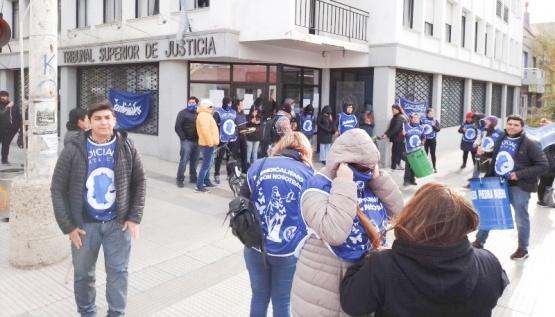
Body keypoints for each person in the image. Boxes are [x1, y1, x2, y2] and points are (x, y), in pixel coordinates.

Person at [340, 183, 509, 317]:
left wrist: (368, 257)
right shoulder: (489, 263)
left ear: (412, 217)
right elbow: (499, 287)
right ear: (464, 222)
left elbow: (352, 304)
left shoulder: (383, 265)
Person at [291, 128, 404, 317]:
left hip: (360, 285)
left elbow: (401, 214)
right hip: (323, 291)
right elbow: (334, 233)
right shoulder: (316, 187)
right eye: (362, 168)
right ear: (343, 163)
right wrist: (344, 183)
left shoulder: (369, 183)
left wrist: (380, 181)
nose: (367, 173)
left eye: (371, 167)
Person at [50, 101, 147, 317]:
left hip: (117, 224)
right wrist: (68, 226)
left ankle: (116, 313)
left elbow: (139, 181)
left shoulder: (127, 146)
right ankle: (87, 313)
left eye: (107, 117)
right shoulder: (73, 149)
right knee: (83, 275)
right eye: (97, 118)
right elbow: (57, 189)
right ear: (89, 123)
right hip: (84, 225)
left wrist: (134, 216)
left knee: (118, 273)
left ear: (114, 121)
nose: (103, 122)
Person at [238, 132, 314, 317]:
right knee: (282, 301)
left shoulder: (259, 165)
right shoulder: (308, 173)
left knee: (258, 297)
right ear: (304, 150)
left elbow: (242, 199)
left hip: (256, 245)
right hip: (288, 250)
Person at [472, 115, 548, 260]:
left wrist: (518, 174)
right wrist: (485, 153)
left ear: (522, 127)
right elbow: (496, 154)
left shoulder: (531, 143)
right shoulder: (502, 137)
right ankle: (479, 241)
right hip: (497, 182)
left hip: (518, 186)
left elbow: (543, 165)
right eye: (510, 124)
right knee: (489, 213)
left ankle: (523, 249)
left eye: (516, 125)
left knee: (521, 218)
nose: (512, 127)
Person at [462, 115, 503, 189]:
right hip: (481, 153)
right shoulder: (484, 129)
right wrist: (476, 143)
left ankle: (486, 186)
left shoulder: (500, 132)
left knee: (488, 171)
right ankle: (471, 184)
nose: (486, 122)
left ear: (493, 122)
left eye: (488, 120)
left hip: (491, 155)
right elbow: (479, 137)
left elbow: (501, 144)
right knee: (477, 169)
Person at [174, 96, 201, 188]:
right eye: (190, 102)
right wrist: (183, 138)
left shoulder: (199, 113)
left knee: (195, 160)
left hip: (197, 141)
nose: (191, 104)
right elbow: (177, 127)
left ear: (196, 103)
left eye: (193, 102)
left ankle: (193, 177)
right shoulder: (182, 113)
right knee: (184, 160)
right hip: (187, 141)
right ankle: (180, 179)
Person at [196, 99, 219, 193]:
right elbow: (206, 131)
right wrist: (210, 143)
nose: (212, 108)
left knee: (208, 164)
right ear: (207, 107)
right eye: (211, 107)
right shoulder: (203, 116)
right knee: (206, 165)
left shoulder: (205, 115)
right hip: (207, 144)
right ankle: (199, 185)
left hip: (208, 143)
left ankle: (206, 181)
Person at [213, 96, 238, 184]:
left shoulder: (234, 112)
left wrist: (236, 136)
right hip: (222, 138)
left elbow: (236, 124)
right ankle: (216, 174)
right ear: (224, 103)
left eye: (231, 103)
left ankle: (230, 174)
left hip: (232, 138)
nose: (230, 105)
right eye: (228, 103)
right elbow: (214, 126)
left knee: (230, 157)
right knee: (219, 157)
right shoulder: (218, 112)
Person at [381, 104, 408, 172]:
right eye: (392, 109)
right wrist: (386, 133)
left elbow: (396, 129)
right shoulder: (396, 117)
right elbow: (391, 128)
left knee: (400, 154)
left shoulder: (399, 117)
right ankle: (393, 168)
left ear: (397, 110)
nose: (392, 111)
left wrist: (387, 134)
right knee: (394, 153)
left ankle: (411, 163)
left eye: (393, 109)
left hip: (400, 139)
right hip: (396, 139)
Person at [403, 113, 426, 186]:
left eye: (417, 118)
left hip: (417, 149)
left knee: (415, 165)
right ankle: (406, 180)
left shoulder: (421, 127)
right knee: (408, 165)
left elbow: (424, 137)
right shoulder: (406, 126)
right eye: (414, 118)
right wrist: (403, 134)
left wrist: (422, 142)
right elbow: (402, 136)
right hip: (408, 149)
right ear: (412, 119)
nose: (416, 119)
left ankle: (412, 180)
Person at [0, 90, 22, 165]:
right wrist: (7, 107)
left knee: (5, 145)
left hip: (9, 131)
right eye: (1, 96)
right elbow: (1, 114)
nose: (2, 97)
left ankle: (4, 160)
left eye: (4, 96)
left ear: (7, 97)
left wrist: (17, 128)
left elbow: (18, 117)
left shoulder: (14, 106)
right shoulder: (5, 106)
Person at [537, 118, 555, 207]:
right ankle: (542, 200)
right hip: (547, 163)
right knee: (544, 181)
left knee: (548, 181)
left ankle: (546, 199)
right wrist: (551, 162)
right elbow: (546, 151)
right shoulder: (546, 137)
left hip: (549, 162)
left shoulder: (550, 136)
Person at [421, 108, 441, 172]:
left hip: (432, 140)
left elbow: (438, 129)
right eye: (429, 113)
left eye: (432, 113)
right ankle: (426, 167)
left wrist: (433, 126)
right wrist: (421, 126)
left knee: (433, 153)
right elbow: (419, 127)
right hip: (425, 140)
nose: (431, 115)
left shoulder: (435, 120)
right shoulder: (423, 120)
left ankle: (434, 167)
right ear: (427, 114)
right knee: (425, 154)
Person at [233, 99, 248, 173]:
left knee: (244, 152)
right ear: (238, 106)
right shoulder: (234, 114)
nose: (243, 106)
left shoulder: (243, 114)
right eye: (241, 104)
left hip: (244, 135)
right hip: (237, 136)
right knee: (234, 153)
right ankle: (233, 170)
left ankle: (244, 169)